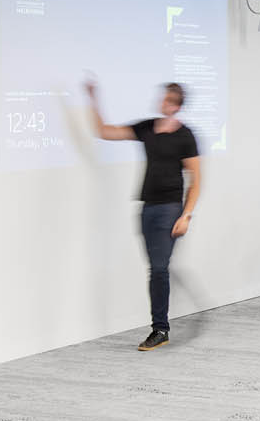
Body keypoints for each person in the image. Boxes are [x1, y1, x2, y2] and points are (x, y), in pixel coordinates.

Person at [86, 78, 201, 351]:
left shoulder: (185, 136)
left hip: (170, 210)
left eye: (169, 99)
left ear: (177, 104)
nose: (163, 102)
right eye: (163, 97)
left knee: (159, 269)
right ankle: (160, 326)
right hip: (147, 208)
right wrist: (93, 99)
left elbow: (196, 180)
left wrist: (186, 215)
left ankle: (160, 329)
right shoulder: (147, 127)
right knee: (156, 269)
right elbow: (104, 131)